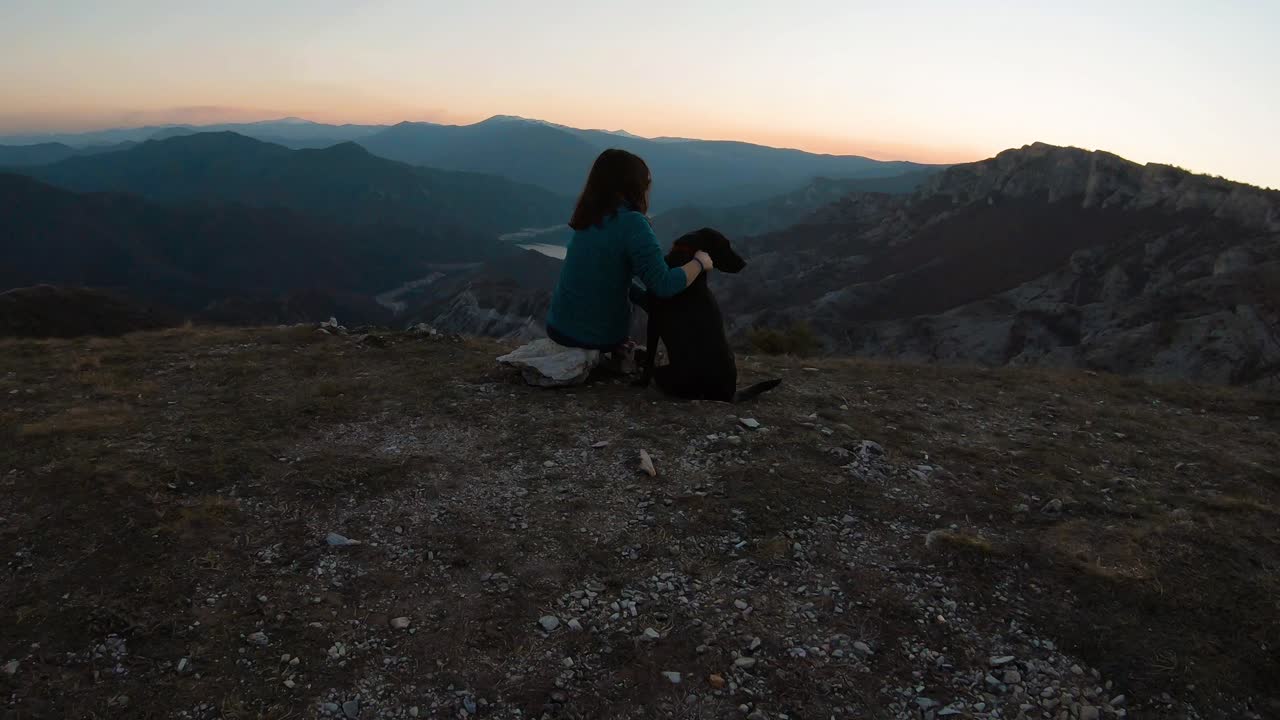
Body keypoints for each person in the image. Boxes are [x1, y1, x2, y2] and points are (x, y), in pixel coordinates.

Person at [546, 149, 713, 356]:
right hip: (594, 337)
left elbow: (604, 275)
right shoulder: (632, 223)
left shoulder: (590, 215)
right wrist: (699, 263)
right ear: (634, 185)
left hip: (557, 328)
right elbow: (664, 284)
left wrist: (644, 300)